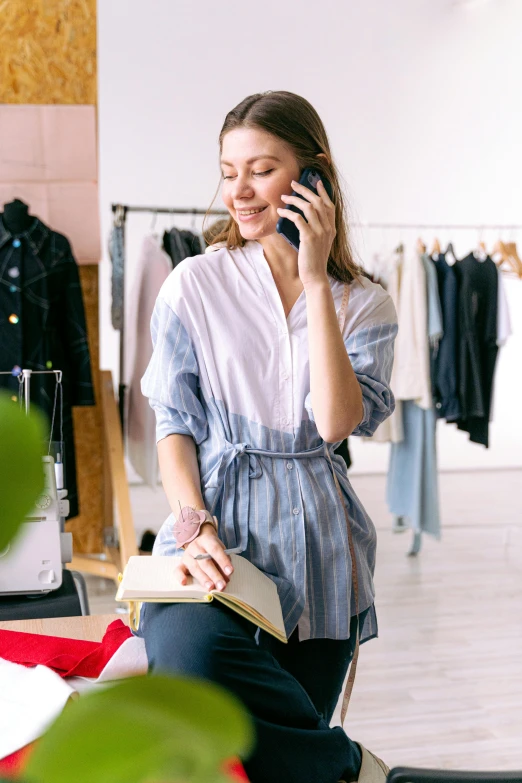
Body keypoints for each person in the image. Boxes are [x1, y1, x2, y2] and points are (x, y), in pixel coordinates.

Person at [140, 91, 398, 783]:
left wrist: (315, 279)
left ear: (313, 177)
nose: (239, 191)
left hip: (321, 550)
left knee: (276, 764)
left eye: (260, 168)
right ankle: (351, 768)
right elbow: (174, 422)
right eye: (228, 171)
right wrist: (192, 526)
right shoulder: (194, 283)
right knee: (190, 659)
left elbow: (338, 424)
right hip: (213, 532)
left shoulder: (364, 300)